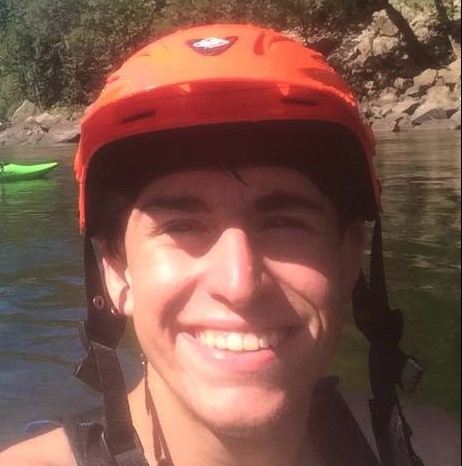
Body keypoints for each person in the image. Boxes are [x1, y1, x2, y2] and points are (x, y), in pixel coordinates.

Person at [0, 23, 460, 466]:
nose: (239, 286)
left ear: (348, 257)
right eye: (182, 227)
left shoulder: (441, 450)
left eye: (284, 224)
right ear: (117, 272)